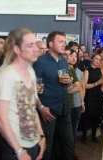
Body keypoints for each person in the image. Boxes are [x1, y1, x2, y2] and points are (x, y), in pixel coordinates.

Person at [0, 27, 45, 160]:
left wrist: (41, 136)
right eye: (30, 45)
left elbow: (31, 107)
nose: (36, 49)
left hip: (33, 142)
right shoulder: (6, 75)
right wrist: (19, 151)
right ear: (17, 49)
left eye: (35, 44)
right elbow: (0, 118)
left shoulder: (30, 73)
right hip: (15, 146)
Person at [33, 31, 74, 160]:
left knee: (69, 143)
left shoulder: (63, 61)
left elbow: (67, 83)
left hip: (64, 108)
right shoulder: (40, 62)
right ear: (51, 44)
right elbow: (33, 88)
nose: (64, 44)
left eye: (65, 41)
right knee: (48, 144)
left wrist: (69, 81)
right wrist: (41, 107)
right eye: (60, 42)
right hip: (48, 109)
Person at [82, 54, 103, 144]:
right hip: (90, 96)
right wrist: (96, 84)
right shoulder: (87, 71)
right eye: (96, 59)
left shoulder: (100, 70)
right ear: (92, 59)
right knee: (87, 117)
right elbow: (84, 85)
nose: (98, 61)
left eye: (99, 60)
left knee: (96, 117)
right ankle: (84, 137)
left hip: (98, 96)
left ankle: (93, 136)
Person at [68, 48, 84, 160]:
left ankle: (72, 151)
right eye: (71, 55)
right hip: (68, 104)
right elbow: (66, 90)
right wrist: (75, 87)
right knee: (66, 130)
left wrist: (82, 102)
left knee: (74, 129)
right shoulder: (63, 69)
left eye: (75, 56)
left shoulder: (78, 71)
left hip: (77, 103)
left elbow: (81, 88)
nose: (73, 58)